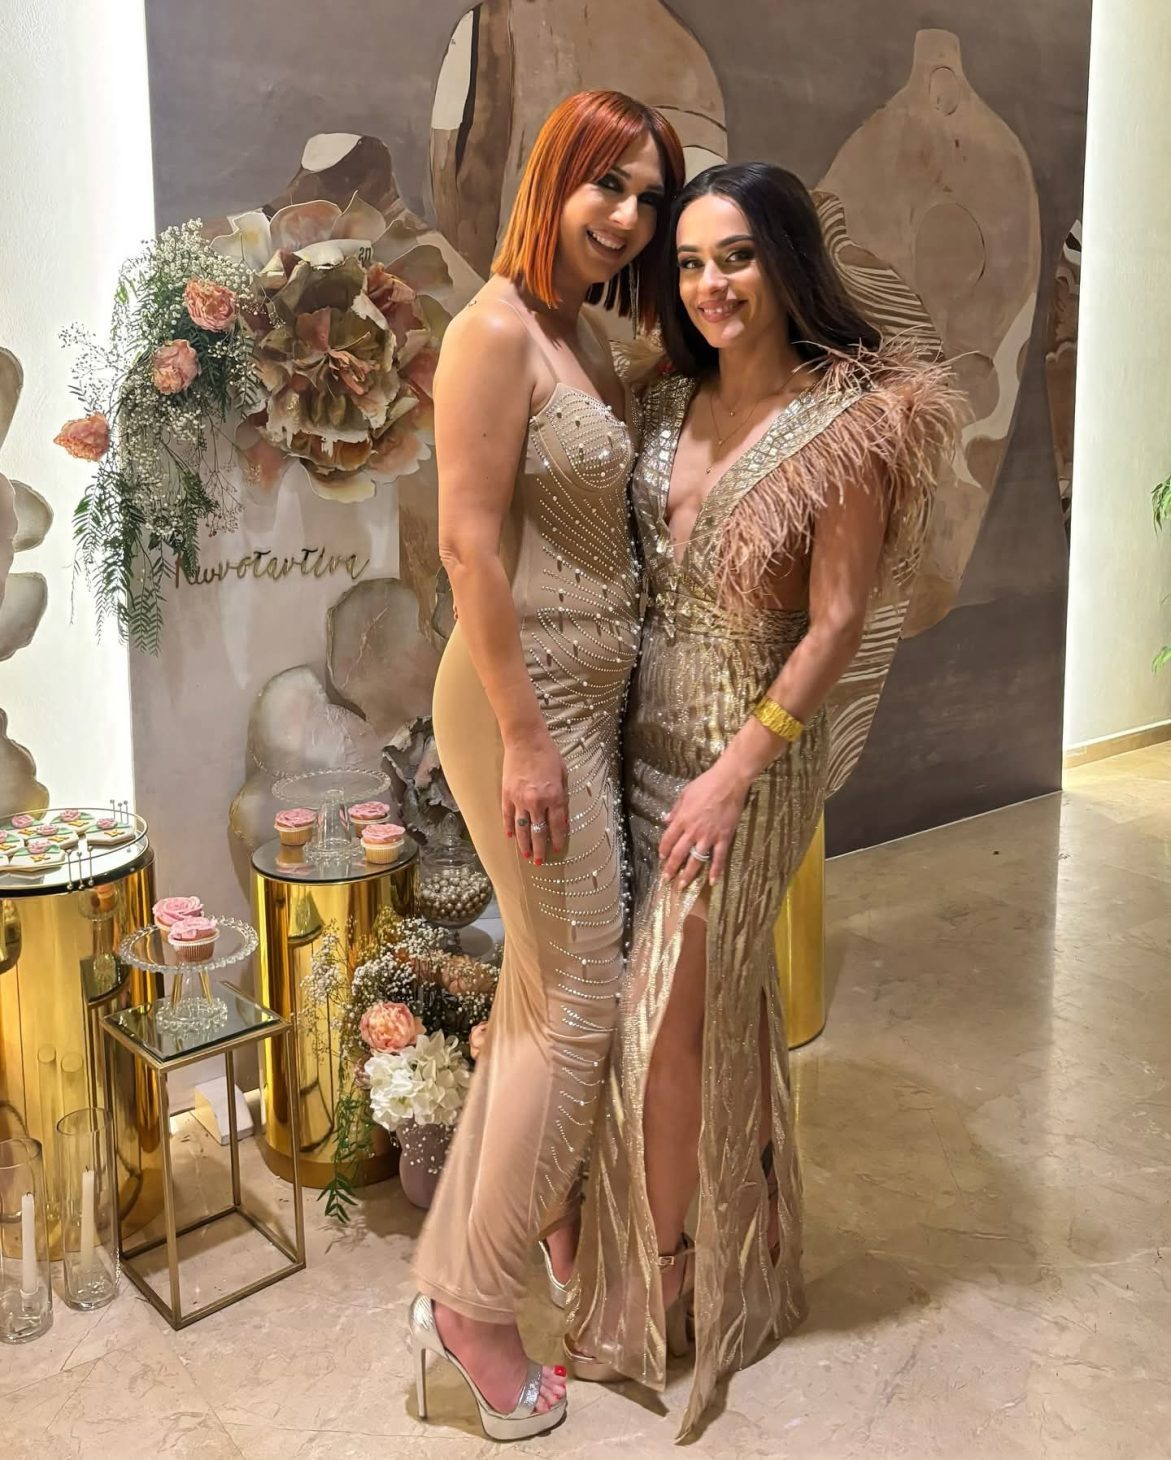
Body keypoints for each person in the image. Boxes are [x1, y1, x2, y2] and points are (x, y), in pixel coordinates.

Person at [568, 162, 962, 1439]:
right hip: (640, 740)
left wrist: (736, 772)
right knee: (708, 1010)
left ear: (785, 260)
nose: (710, 284)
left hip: (749, 756)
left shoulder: (848, 421)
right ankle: (752, 1253)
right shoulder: (662, 396)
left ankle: (662, 1284)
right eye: (689, 263)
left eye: (734, 256)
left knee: (663, 1019)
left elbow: (836, 623)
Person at [408, 90, 684, 1443]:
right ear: (552, 179)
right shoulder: (492, 331)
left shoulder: (582, 336)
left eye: (646, 195)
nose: (625, 215)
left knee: (547, 994)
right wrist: (523, 735)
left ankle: (513, 1238)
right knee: (577, 1000)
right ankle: (471, 1309)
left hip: (583, 702)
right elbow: (465, 544)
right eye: (606, 184)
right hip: (521, 706)